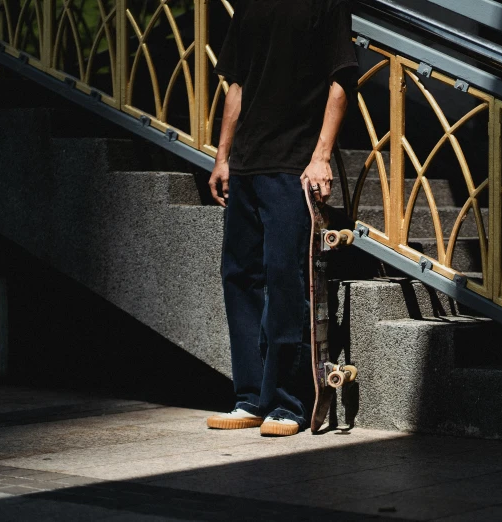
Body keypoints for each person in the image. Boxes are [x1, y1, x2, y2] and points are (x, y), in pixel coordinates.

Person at [205, 0, 358, 437]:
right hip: (247, 163)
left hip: (293, 163)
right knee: (239, 275)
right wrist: (223, 157)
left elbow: (342, 81)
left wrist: (322, 156)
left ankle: (289, 401)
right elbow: (236, 85)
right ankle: (251, 397)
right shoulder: (250, 6)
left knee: (287, 278)